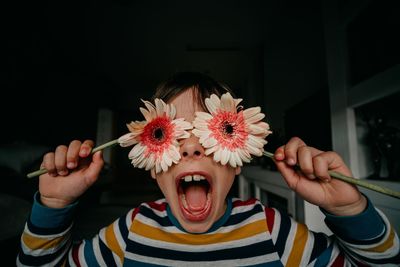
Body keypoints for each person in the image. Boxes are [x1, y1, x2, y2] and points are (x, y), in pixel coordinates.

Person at [17, 72, 399, 266]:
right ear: (152, 164)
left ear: (238, 163)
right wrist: (52, 207)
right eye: (170, 133)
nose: (192, 145)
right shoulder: (131, 232)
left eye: (209, 129)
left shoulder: (272, 231)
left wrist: (348, 211)